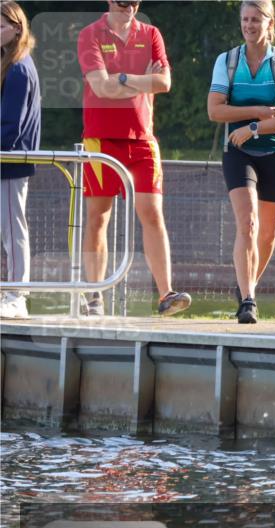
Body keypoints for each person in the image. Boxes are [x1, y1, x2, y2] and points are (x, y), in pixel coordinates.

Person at [77, 0, 190, 316]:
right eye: (122, 1)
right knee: (99, 215)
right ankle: (95, 298)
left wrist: (123, 78)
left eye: (134, 1)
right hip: (101, 139)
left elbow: (165, 82)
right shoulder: (90, 34)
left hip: (142, 139)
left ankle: (166, 294)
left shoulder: (151, 34)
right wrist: (141, 79)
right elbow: (100, 87)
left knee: (152, 212)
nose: (128, 6)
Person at [207, 0, 275, 324]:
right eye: (245, 19)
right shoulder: (227, 61)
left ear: (269, 22)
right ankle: (248, 300)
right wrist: (256, 113)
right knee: (247, 223)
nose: (249, 25)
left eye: (255, 20)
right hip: (238, 151)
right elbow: (215, 111)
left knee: (268, 235)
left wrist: (256, 128)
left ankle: (247, 285)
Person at [0, 0, 39, 319]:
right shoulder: (8, 63)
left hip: (10, 163)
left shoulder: (19, 68)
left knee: (14, 229)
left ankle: (17, 296)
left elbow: (11, 124)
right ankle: (10, 290)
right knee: (8, 229)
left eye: (0, 26)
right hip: (5, 160)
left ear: (16, 29)